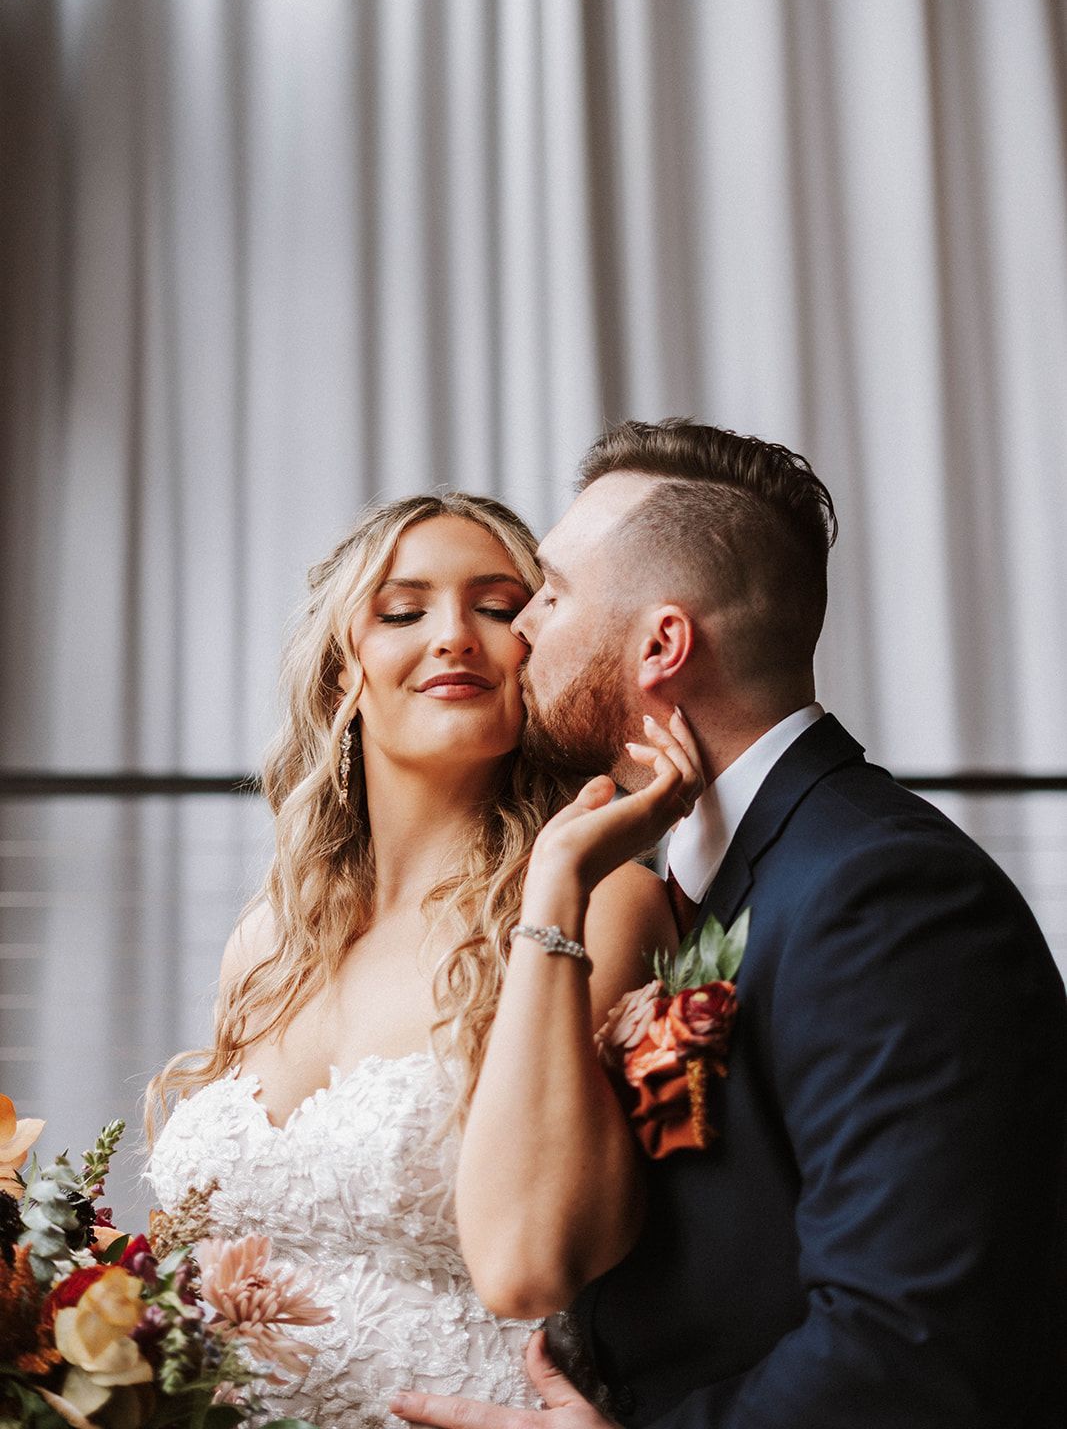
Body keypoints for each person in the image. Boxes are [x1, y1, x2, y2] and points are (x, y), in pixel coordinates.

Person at [390, 420, 1067, 1429]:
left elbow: (908, 1343)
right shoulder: (698, 881)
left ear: (663, 643)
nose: (519, 626)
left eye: (553, 593)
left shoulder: (884, 897)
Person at [144, 490, 683, 1427]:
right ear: (338, 674)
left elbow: (553, 1255)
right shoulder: (267, 940)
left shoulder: (605, 903)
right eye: (402, 611)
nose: (453, 637)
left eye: (500, 607)